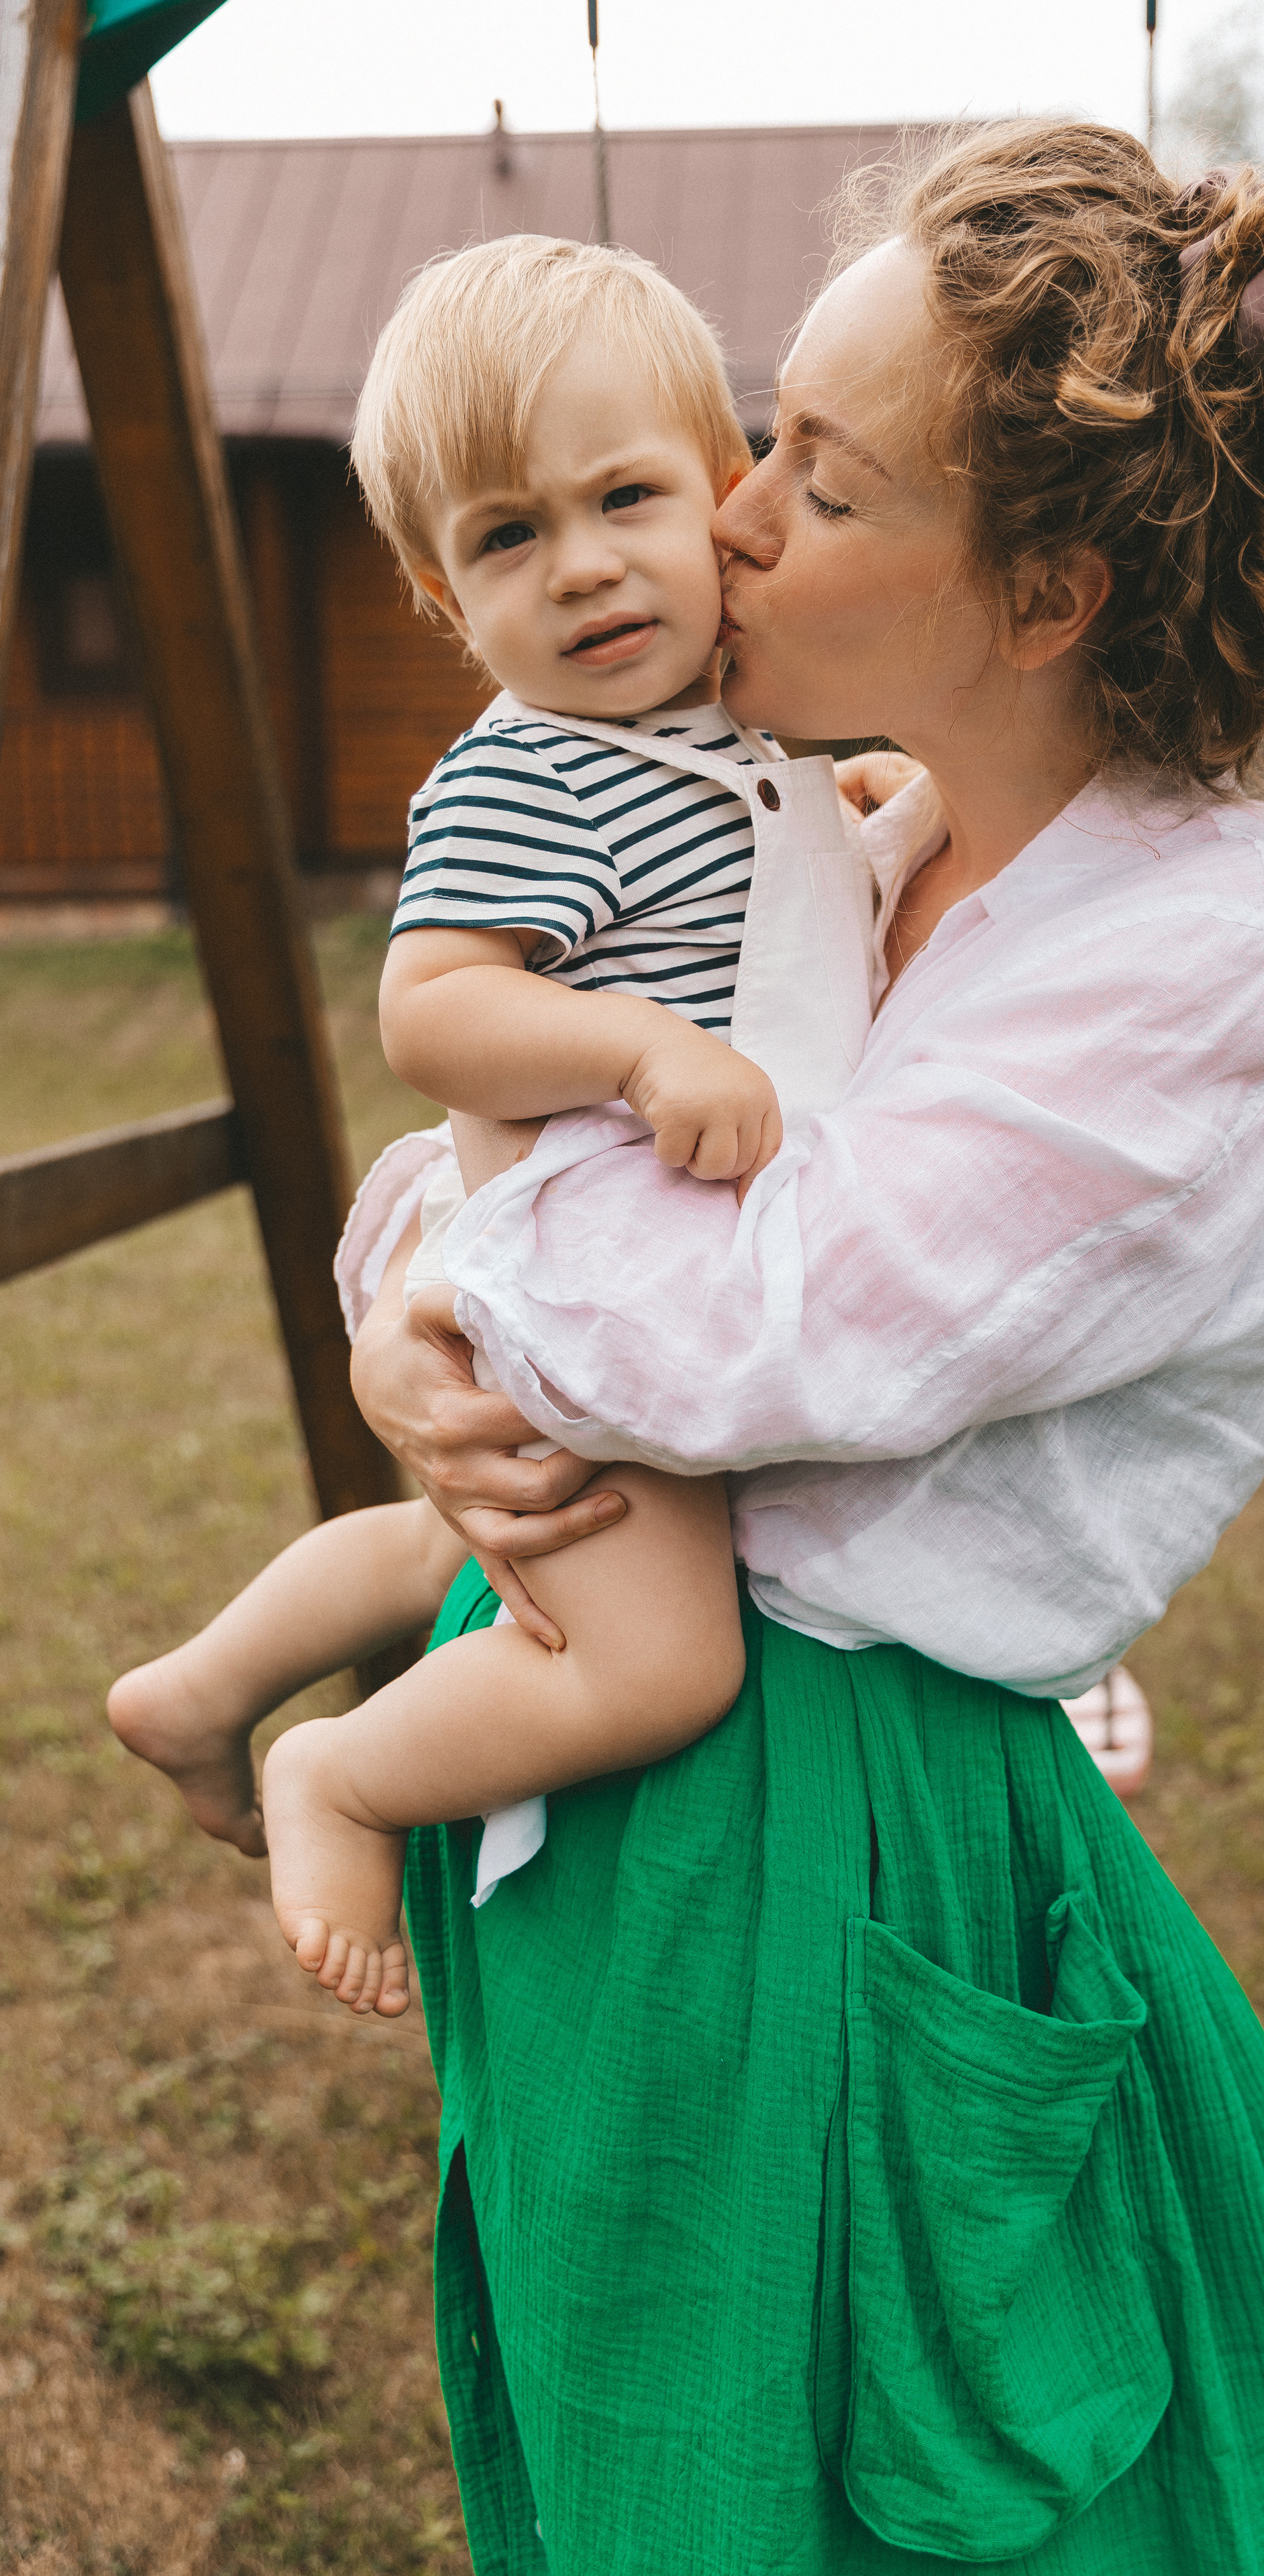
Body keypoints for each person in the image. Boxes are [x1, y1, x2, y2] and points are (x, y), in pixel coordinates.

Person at [345, 123, 1264, 2571]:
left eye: (821, 480)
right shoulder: (846, 833)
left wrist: (450, 1293)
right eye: (762, 438)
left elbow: (772, 1333)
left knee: (898, 2482)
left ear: (1045, 594)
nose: (730, 518)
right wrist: (411, 1304)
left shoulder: (1203, 955)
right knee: (640, 2422)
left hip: (848, 1823)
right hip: (624, 1745)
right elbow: (533, 1127)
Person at [106, 234, 876, 2015]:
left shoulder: (745, 728)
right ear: (443, 593)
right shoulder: (532, 772)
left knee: (473, 1541)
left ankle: (207, 1685)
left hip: (652, 1250)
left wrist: (858, 804)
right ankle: (341, 1773)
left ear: (728, 489)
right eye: (509, 535)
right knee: (657, 1657)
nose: (583, 564)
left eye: (625, 498)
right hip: (603, 1262)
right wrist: (635, 1052)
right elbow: (431, 1010)